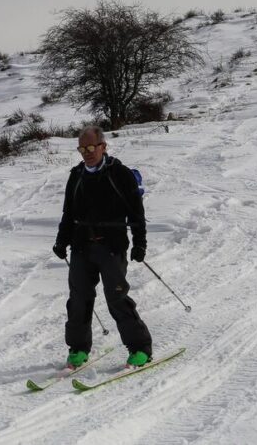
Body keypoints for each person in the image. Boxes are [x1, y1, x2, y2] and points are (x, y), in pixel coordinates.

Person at [53, 126, 153, 368]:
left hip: (111, 246)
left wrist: (140, 244)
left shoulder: (120, 174)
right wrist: (61, 240)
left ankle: (140, 349)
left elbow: (136, 214)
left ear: (103, 146)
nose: (87, 153)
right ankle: (78, 349)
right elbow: (68, 212)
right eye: (82, 148)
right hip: (80, 247)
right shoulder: (76, 175)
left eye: (91, 147)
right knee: (78, 299)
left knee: (117, 298)